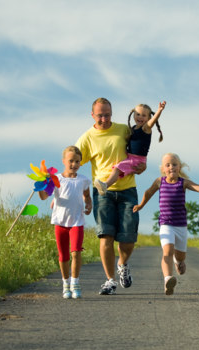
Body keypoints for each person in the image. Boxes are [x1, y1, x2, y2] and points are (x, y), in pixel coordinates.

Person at [133, 153, 199, 295]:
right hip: (166, 224)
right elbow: (148, 192)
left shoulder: (183, 182)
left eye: (174, 164)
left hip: (181, 226)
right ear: (163, 169)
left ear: (179, 167)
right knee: (167, 251)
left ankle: (178, 262)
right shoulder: (160, 181)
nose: (171, 167)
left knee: (180, 257)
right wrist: (141, 205)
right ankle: (168, 279)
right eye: (168, 165)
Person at [76, 97, 145, 295]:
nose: (104, 119)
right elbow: (73, 163)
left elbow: (139, 153)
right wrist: (77, 191)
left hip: (128, 189)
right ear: (92, 115)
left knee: (128, 237)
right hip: (103, 192)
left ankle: (122, 264)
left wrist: (142, 167)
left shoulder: (124, 130)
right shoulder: (86, 138)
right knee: (105, 236)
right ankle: (110, 280)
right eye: (100, 115)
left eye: (107, 115)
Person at [38, 146, 92, 299]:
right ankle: (65, 283)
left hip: (76, 222)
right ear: (63, 161)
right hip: (60, 222)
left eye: (77, 161)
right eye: (71, 161)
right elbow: (43, 197)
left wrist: (89, 204)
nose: (74, 164)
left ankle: (75, 283)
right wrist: (42, 183)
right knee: (63, 255)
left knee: (76, 252)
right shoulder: (57, 180)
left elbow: (87, 196)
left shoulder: (83, 180)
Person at [94, 101, 166, 195]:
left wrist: (159, 111)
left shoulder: (146, 128)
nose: (140, 117)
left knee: (117, 169)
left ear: (149, 118)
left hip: (137, 160)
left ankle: (105, 186)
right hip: (131, 157)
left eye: (144, 115)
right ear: (133, 114)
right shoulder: (133, 128)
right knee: (117, 169)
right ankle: (106, 185)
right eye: (138, 114)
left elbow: (152, 121)